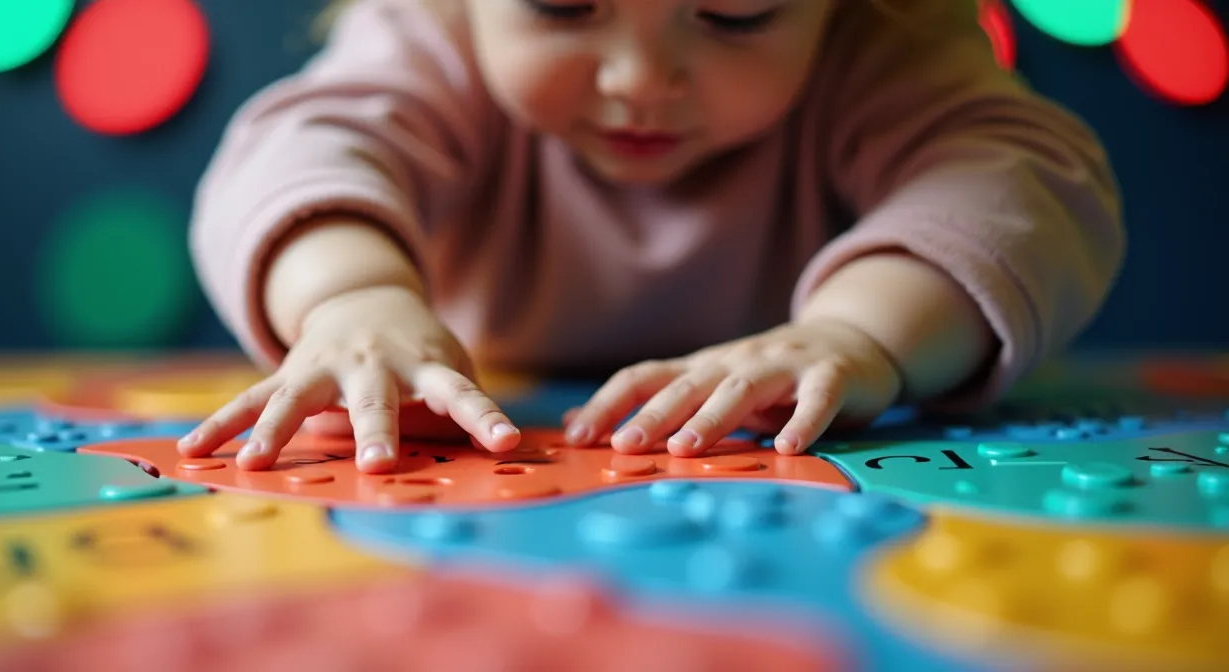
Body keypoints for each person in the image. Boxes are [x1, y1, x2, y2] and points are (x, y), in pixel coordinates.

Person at [177, 0, 1125, 474]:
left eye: (735, 13)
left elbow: (1024, 181)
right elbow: (299, 149)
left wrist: (859, 334)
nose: (639, 77)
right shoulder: (436, 29)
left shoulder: (874, 42)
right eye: (564, 5)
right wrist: (352, 298)